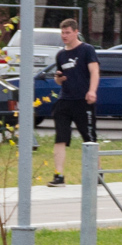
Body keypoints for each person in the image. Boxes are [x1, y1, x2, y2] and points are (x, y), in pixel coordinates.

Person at [47, 18, 98, 187]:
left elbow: (95, 72)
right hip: (65, 100)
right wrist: (58, 79)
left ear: (76, 32)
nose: (64, 36)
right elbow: (58, 80)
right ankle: (59, 175)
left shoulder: (86, 50)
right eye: (62, 32)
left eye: (68, 32)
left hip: (83, 101)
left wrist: (92, 91)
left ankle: (97, 173)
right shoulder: (61, 54)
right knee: (60, 138)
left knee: (89, 138)